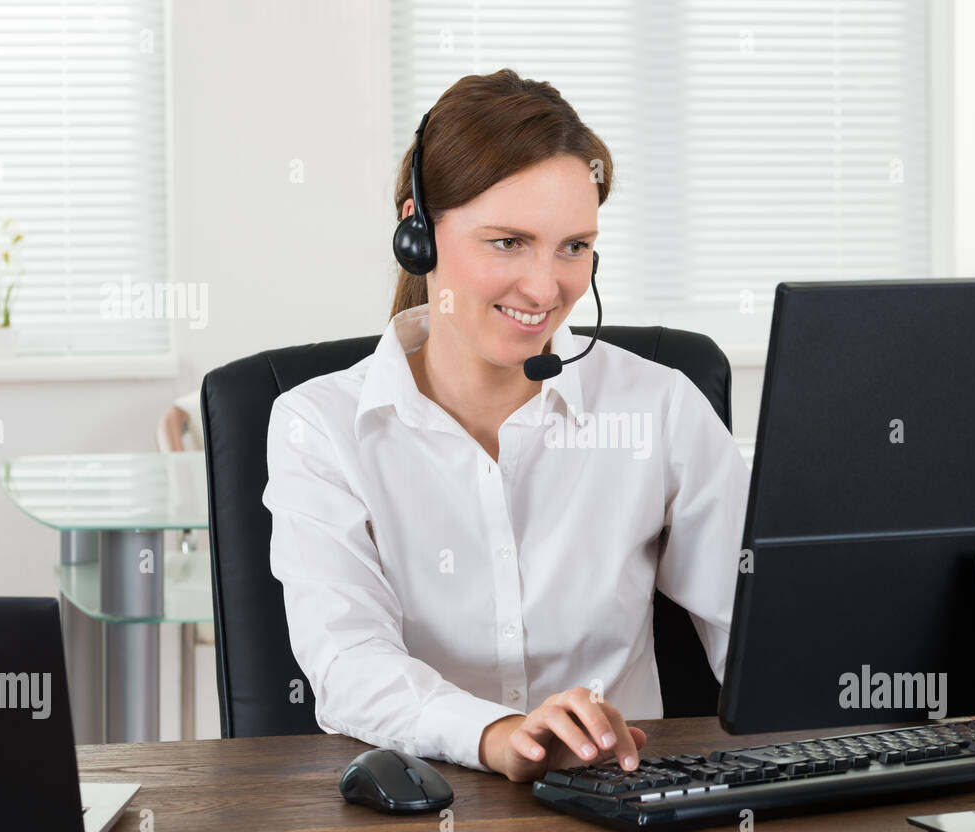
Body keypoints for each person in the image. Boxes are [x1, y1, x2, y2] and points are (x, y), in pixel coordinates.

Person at [263, 68, 750, 782]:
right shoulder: (320, 425)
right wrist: (498, 735)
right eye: (509, 242)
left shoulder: (660, 406)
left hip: (631, 801)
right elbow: (348, 662)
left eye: (574, 246)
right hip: (419, 817)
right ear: (417, 232)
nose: (545, 287)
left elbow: (760, 630)